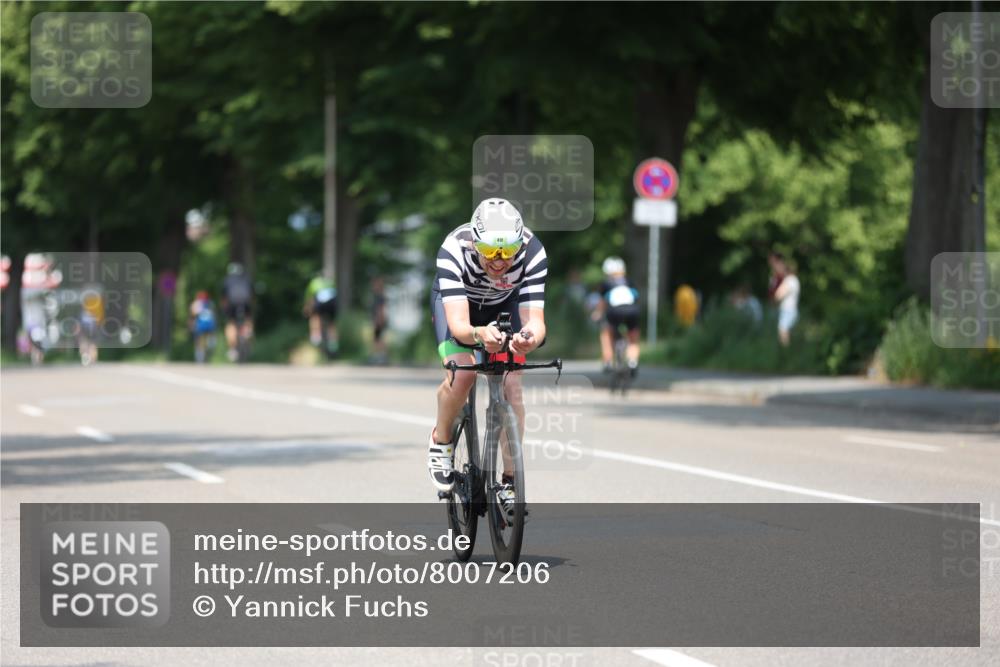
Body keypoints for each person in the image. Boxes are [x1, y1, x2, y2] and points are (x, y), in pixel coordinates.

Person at [428, 198, 547, 516]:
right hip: (459, 306)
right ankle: (441, 439)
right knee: (463, 375)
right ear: (474, 242)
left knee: (512, 386)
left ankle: (509, 482)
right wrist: (481, 335)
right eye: (490, 251)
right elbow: (460, 326)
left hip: (505, 304)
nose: (498, 261)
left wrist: (528, 339)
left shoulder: (533, 251)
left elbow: (536, 321)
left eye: (507, 252)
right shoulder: (454, 248)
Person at [592, 257, 640, 375]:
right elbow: (635, 298)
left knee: (606, 334)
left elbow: (602, 303)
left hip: (614, 311)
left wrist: (597, 314)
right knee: (633, 339)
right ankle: (632, 362)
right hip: (632, 310)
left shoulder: (606, 283)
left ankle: (607, 361)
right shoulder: (629, 281)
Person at [221, 262, 254, 362]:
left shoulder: (227, 280)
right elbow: (252, 295)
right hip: (245, 304)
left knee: (231, 323)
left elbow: (224, 297)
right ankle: (248, 333)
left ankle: (232, 349)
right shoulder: (247, 279)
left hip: (232, 305)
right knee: (248, 320)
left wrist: (223, 309)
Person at [768, 252, 800, 346]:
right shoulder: (794, 280)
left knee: (783, 331)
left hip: (788, 310)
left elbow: (778, 295)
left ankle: (785, 353)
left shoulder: (790, 280)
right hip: (790, 310)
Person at [303, 272, 338, 358]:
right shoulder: (330, 282)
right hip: (332, 303)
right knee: (331, 323)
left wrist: (307, 308)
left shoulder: (314, 282)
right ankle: (333, 343)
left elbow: (310, 298)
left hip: (320, 301)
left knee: (315, 317)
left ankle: (316, 336)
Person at [188, 290, 218, 364]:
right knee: (209, 343)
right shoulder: (210, 304)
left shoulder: (196, 304)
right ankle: (206, 356)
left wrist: (191, 325)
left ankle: (200, 358)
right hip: (209, 327)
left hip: (200, 327)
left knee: (199, 343)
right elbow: (214, 316)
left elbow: (192, 316)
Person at [370, 276, 387, 364]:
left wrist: (379, 320)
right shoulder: (378, 296)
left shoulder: (380, 297)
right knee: (377, 338)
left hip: (379, 320)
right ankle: (379, 356)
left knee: (378, 339)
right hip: (377, 320)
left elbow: (381, 309)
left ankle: (380, 356)